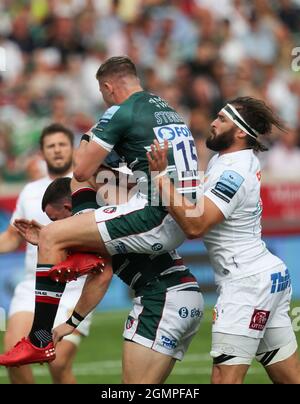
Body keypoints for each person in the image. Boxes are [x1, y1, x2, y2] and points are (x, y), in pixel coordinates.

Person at [0, 55, 200, 365]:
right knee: (91, 184)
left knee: (54, 234)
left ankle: (39, 339)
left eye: (103, 93)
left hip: (156, 216)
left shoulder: (122, 111)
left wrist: (89, 135)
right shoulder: (166, 109)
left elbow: (80, 169)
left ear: (108, 87)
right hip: (176, 210)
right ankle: (80, 251)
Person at [147, 96, 300, 384]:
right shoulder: (226, 159)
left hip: (246, 283)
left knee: (223, 378)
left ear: (240, 131)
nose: (213, 123)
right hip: (267, 275)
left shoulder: (233, 171)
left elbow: (196, 225)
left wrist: (161, 179)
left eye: (221, 119)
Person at [14, 177, 204, 384]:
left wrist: (70, 323)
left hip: (161, 298)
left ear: (69, 207)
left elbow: (101, 275)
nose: (56, 227)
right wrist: (46, 237)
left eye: (55, 221)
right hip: (185, 295)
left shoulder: (101, 228)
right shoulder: (110, 218)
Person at [0, 124, 93, 384]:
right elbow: (10, 238)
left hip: (74, 288)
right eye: (51, 146)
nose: (57, 150)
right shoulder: (30, 191)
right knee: (14, 356)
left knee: (59, 363)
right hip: (33, 285)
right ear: (42, 153)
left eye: (62, 144)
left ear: (72, 149)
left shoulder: (86, 187)